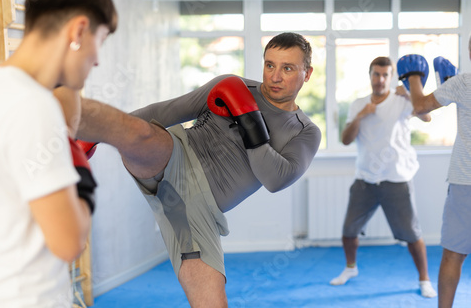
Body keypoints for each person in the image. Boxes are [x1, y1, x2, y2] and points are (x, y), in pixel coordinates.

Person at [73, 32, 321, 307]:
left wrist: (250, 122)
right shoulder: (233, 85)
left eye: (287, 68)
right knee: (142, 136)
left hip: (198, 213)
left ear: (307, 73)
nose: (274, 76)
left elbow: (276, 179)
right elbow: (167, 112)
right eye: (270, 65)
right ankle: (77, 125)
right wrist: (97, 134)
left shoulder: (306, 132)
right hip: (177, 158)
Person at [0, 0, 117, 307]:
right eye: (100, 40)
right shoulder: (33, 105)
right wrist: (81, 171)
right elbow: (70, 242)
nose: (98, 60)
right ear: (78, 31)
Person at [329, 56, 437, 298]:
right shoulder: (358, 104)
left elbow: (427, 117)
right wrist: (361, 116)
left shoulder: (401, 100)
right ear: (370, 76)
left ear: (391, 77)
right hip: (365, 179)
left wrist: (410, 94)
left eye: (385, 75)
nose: (380, 80)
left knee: (412, 235)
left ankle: (424, 280)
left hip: (396, 179)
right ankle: (350, 268)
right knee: (348, 231)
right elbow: (346, 139)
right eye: (376, 74)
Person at [400, 42, 470, 308]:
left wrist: (413, 77)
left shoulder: (463, 84)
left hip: (466, 183)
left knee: (453, 255)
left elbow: (420, 107)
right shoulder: (459, 85)